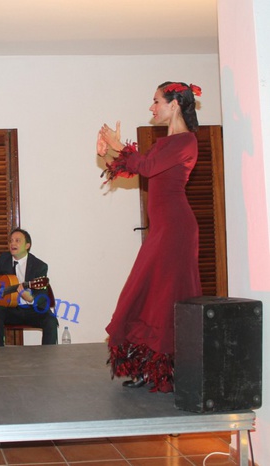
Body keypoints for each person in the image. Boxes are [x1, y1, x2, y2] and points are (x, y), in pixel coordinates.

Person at [98, 81, 203, 393]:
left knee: (164, 297)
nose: (151, 107)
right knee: (147, 294)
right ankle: (150, 367)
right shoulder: (164, 143)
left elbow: (146, 166)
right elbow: (137, 168)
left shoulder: (187, 142)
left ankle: (169, 371)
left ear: (174, 104)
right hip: (163, 230)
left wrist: (119, 145)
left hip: (176, 230)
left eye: (156, 101)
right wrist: (109, 151)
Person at [0, 228, 58, 346]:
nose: (12, 243)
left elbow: (42, 297)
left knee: (51, 320)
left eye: (17, 240)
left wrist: (30, 298)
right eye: (11, 241)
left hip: (33, 310)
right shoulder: (4, 259)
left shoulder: (39, 266)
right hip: (11, 310)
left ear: (27, 245)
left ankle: (47, 355)